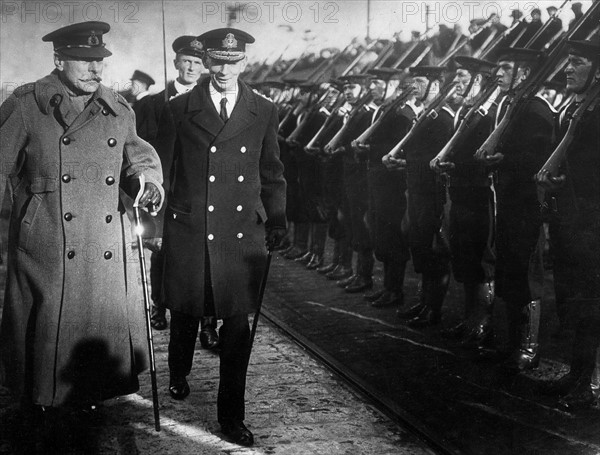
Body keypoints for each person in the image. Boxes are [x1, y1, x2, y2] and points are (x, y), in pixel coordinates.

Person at [0, 20, 163, 418]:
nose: (96, 70)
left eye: (100, 62)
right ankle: (39, 398)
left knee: (95, 319)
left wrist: (150, 182)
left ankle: (92, 392)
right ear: (59, 60)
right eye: (85, 61)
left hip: (101, 238)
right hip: (46, 239)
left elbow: (138, 156)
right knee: (47, 324)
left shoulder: (117, 107)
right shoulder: (26, 105)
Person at [159, 28, 286, 446]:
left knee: (236, 325)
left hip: (240, 232)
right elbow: (164, 169)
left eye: (233, 62)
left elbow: (271, 171)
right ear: (207, 63)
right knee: (187, 309)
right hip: (191, 226)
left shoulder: (263, 110)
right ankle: (178, 370)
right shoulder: (180, 109)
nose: (224, 70)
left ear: (245, 64)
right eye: (217, 62)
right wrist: (159, 220)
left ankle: (232, 415)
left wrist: (278, 219)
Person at [133, 35, 219, 350]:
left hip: (202, 195)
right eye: (187, 61)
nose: (192, 67)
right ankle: (159, 306)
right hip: (164, 194)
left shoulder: (215, 102)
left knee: (208, 259)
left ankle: (208, 323)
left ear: (204, 65)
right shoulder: (151, 105)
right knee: (161, 250)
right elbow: (137, 153)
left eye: (198, 62)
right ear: (176, 63)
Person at [475, 48, 555, 370]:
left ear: (524, 74)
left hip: (528, 204)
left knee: (527, 275)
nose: (498, 73)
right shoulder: (511, 106)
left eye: (505, 68)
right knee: (508, 271)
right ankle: (511, 343)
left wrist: (504, 160)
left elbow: (539, 158)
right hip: (506, 201)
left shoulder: (536, 109)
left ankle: (529, 347)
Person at [536, 39, 600, 411]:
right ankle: (577, 374)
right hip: (569, 218)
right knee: (574, 298)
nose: (567, 69)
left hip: (593, 219)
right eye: (568, 63)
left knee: (594, 301)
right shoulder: (570, 109)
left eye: (577, 63)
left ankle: (591, 384)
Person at [429, 56, 498, 347]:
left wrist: (454, 167)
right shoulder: (464, 112)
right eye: (456, 77)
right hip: (459, 194)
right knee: (464, 259)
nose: (456, 82)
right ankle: (470, 317)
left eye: (462, 77)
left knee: (481, 261)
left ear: (479, 81)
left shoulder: (491, 113)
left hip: (480, 195)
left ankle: (482, 322)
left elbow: (485, 160)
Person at [384, 66, 454, 326]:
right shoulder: (426, 116)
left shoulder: (443, 118)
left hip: (432, 194)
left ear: (435, 85)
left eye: (419, 81)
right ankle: (424, 302)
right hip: (416, 191)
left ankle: (433, 308)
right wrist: (404, 164)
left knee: (435, 252)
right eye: (413, 81)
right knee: (421, 248)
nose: (413, 86)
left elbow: (438, 159)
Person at [352, 69, 417, 300]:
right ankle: (388, 287)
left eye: (377, 83)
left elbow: (397, 149)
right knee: (381, 233)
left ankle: (394, 289)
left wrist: (369, 149)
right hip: (378, 181)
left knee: (392, 235)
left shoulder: (403, 114)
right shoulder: (385, 110)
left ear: (394, 86)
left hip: (392, 184)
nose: (372, 88)